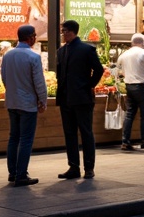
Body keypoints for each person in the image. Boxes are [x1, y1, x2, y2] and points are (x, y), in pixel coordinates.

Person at [0, 23, 47, 187]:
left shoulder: (8, 55)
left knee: (13, 138)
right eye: (34, 36)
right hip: (27, 104)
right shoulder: (33, 57)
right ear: (31, 37)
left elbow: (4, 78)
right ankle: (21, 175)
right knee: (26, 140)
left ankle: (12, 173)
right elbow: (39, 83)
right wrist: (43, 101)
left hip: (12, 102)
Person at [56, 20, 104, 180]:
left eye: (64, 31)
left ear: (71, 32)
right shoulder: (61, 51)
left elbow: (98, 70)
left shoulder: (86, 49)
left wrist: (89, 85)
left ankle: (89, 168)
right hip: (66, 98)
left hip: (82, 98)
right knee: (69, 133)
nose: (62, 34)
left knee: (86, 132)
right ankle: (73, 167)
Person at [117, 32, 144, 150]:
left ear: (132, 42)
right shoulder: (143, 53)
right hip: (141, 87)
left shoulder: (124, 54)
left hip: (128, 86)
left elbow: (118, 68)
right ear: (143, 42)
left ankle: (125, 142)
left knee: (129, 114)